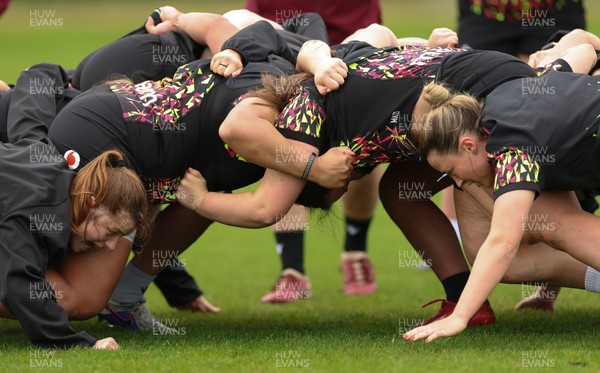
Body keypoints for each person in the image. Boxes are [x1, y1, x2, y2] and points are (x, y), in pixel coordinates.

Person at [403, 42, 600, 342]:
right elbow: (583, 51)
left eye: (453, 171)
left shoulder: (511, 151)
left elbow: (502, 243)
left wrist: (459, 317)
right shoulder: (505, 96)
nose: (457, 182)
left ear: (468, 145)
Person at [0, 63, 149, 349]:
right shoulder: (37, 211)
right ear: (92, 201)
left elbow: (32, 99)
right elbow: (22, 288)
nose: (110, 246)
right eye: (111, 230)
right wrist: (81, 344)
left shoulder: (45, 155)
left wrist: (58, 74)